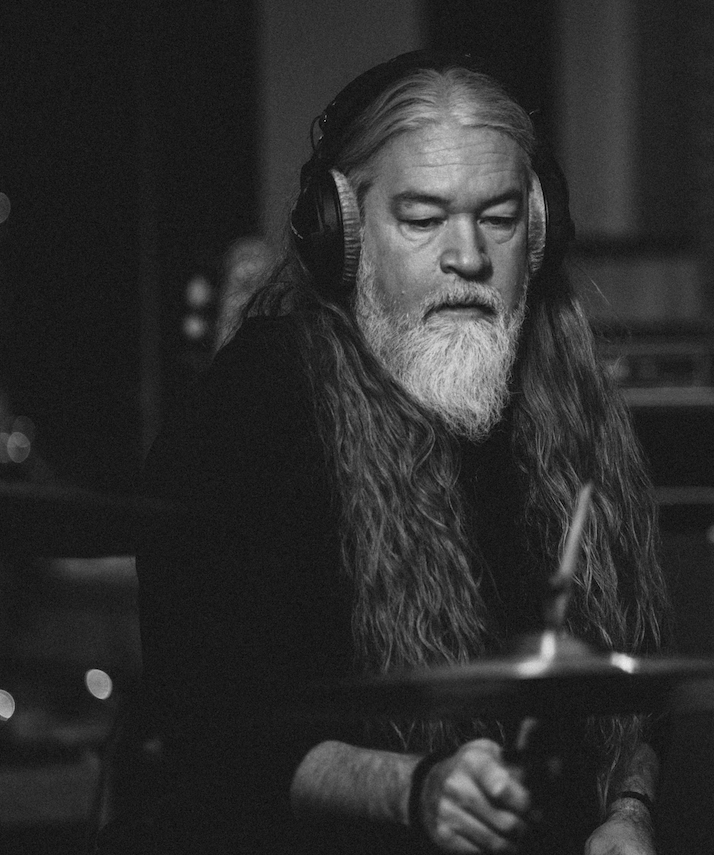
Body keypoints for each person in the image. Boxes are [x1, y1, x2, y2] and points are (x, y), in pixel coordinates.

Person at [98, 51, 670, 855]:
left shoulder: (573, 406)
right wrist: (415, 788)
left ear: (535, 232)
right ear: (346, 230)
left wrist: (628, 811)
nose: (467, 256)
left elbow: (640, 687)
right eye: (424, 218)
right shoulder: (253, 408)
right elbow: (211, 733)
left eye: (498, 218)